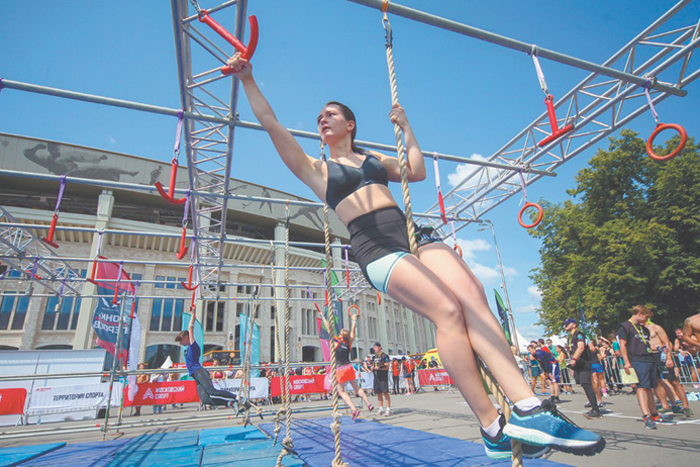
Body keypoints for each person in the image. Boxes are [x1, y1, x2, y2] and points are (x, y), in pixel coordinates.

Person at [227, 52, 603, 458]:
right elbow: (271, 124)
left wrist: (406, 128)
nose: (322, 119)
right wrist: (248, 79)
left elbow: (416, 170)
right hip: (377, 247)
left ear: (349, 124)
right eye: (319, 116)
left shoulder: (373, 159)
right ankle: (492, 425)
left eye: (331, 113)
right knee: (448, 311)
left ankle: (529, 408)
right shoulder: (316, 169)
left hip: (412, 235)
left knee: (473, 296)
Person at [175, 312, 240, 411]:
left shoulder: (193, 346)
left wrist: (193, 315)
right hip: (195, 376)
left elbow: (190, 328)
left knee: (212, 391)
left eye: (181, 340)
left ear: (186, 338)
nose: (180, 343)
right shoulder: (188, 349)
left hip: (199, 372)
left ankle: (237, 397)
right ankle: (230, 402)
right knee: (205, 399)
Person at [617, 305, 669, 429]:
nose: (646, 320)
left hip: (649, 359)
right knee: (641, 387)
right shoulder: (625, 326)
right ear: (639, 314)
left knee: (650, 387)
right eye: (646, 316)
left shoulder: (644, 329)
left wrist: (658, 348)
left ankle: (654, 413)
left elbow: (645, 345)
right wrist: (627, 362)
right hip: (637, 360)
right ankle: (646, 415)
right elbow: (622, 345)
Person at [319, 311, 374, 420]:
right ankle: (369, 403)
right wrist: (354, 319)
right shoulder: (349, 343)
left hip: (340, 369)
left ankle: (354, 409)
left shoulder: (337, 343)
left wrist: (323, 317)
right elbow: (353, 330)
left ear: (341, 336)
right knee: (356, 387)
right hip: (349, 367)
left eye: (339, 334)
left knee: (341, 391)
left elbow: (329, 329)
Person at [645, 316, 693, 417]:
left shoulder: (656, 328)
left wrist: (669, 358)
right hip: (651, 357)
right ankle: (665, 405)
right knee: (657, 382)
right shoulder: (639, 331)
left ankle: (685, 406)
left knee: (674, 381)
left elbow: (667, 343)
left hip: (662, 355)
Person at [564, 319, 602, 420]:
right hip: (579, 365)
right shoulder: (572, 337)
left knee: (587, 385)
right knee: (584, 385)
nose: (565, 326)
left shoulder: (579, 334)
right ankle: (594, 407)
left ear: (575, 325)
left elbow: (581, 347)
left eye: (568, 324)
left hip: (584, 364)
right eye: (565, 324)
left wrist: (574, 359)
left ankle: (596, 409)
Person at [371, 343, 392, 416]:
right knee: (378, 393)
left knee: (385, 392)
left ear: (379, 347)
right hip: (376, 377)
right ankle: (380, 408)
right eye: (374, 348)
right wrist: (372, 368)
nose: (374, 349)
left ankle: (388, 409)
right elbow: (373, 365)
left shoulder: (384, 356)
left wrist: (380, 368)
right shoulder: (374, 357)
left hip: (383, 376)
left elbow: (387, 366)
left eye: (375, 347)